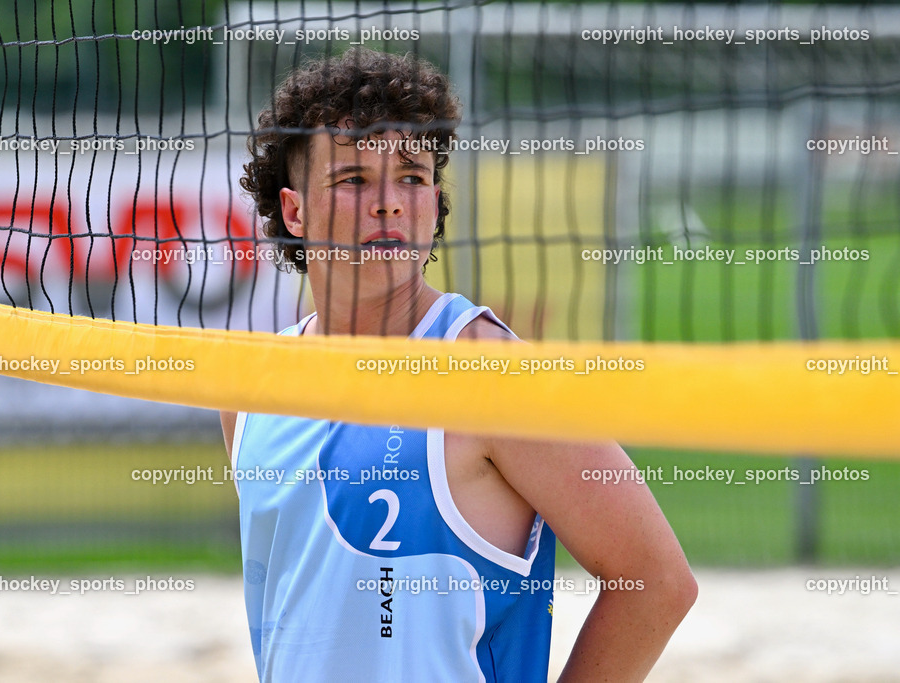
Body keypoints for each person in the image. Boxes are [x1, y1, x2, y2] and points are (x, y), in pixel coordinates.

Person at [221, 47, 696, 682]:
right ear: (295, 210)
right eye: (353, 179)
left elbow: (656, 581)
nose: (388, 203)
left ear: (435, 201)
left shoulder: (488, 373)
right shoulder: (248, 393)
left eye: (412, 176)